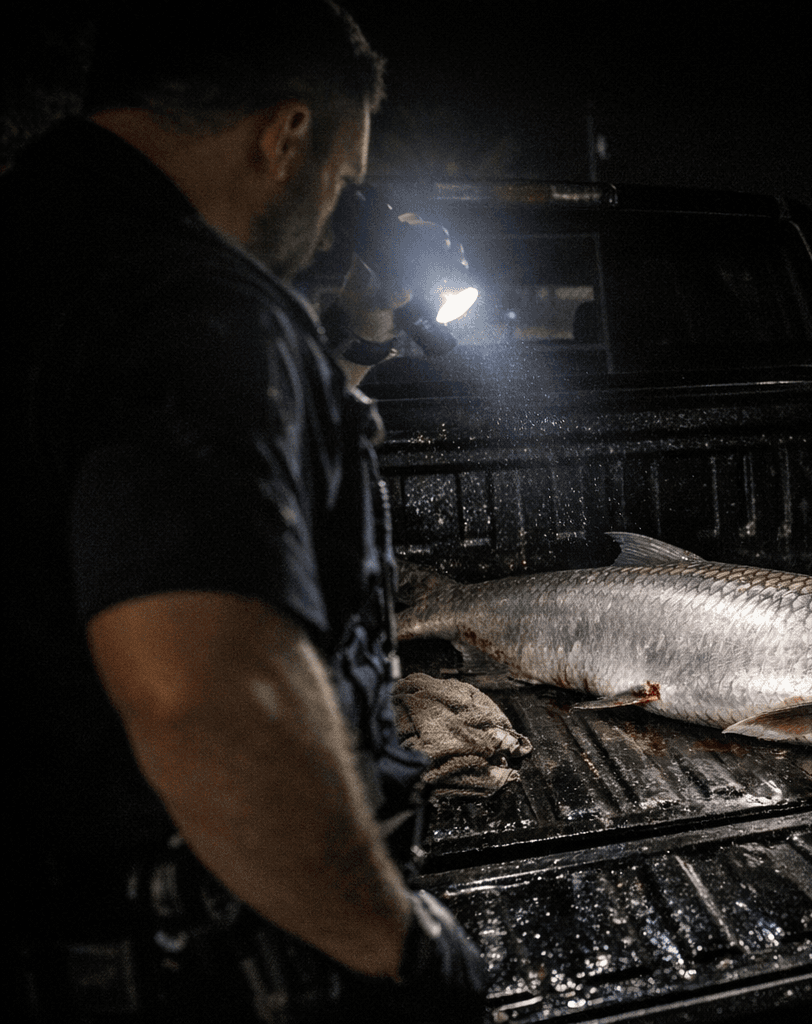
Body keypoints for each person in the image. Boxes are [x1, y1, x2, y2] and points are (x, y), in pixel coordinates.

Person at [4, 4, 487, 1021]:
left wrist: (343, 356)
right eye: (343, 180)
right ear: (285, 134)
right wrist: (395, 940)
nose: (331, 215)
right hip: (180, 963)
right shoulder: (192, 305)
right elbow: (205, 696)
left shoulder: (37, 243)